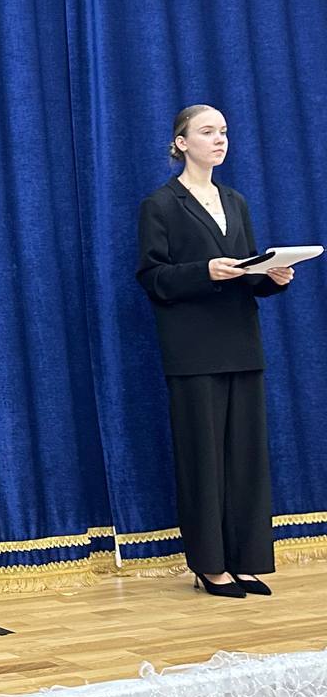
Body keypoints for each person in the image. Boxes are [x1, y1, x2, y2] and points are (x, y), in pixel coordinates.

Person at [136, 105, 294, 598]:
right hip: (194, 350)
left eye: (223, 131)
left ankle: (245, 560)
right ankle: (209, 565)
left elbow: (246, 273)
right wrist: (204, 271)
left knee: (246, 459)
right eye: (207, 131)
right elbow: (153, 278)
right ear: (181, 143)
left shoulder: (235, 201)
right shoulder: (161, 204)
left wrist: (271, 277)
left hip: (241, 343)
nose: (220, 139)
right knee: (203, 460)